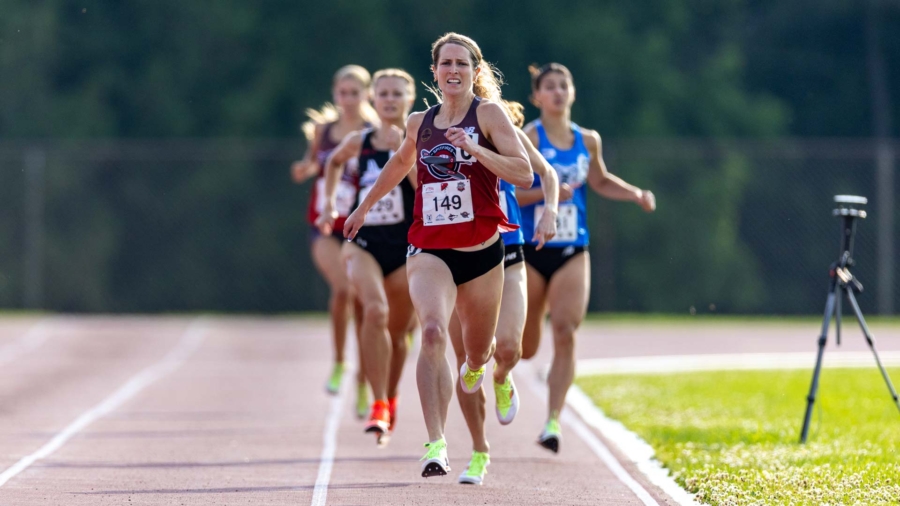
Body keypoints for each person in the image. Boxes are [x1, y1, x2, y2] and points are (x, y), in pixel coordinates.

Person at [342, 33, 533, 478]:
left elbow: (523, 173)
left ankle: (478, 370)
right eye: (445, 63)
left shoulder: (488, 114)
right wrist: (363, 207)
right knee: (430, 333)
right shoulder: (418, 122)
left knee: (477, 354)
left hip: (483, 251)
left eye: (462, 64)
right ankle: (436, 444)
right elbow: (400, 164)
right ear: (434, 71)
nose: (453, 71)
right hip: (429, 246)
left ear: (475, 70)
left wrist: (477, 150)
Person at [518, 62, 657, 453]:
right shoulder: (529, 136)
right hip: (532, 247)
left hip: (573, 248)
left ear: (573, 93)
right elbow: (512, 193)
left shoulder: (588, 140)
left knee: (565, 330)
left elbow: (598, 180)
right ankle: (502, 371)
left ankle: (552, 422)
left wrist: (634, 193)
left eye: (565, 85)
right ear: (537, 97)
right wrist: (548, 195)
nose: (559, 92)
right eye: (550, 86)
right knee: (526, 347)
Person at [448, 101, 561, 485]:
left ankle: (503, 375)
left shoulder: (502, 128)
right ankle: (479, 450)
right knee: (466, 360)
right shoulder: (435, 129)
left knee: (510, 347)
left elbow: (545, 174)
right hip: (453, 255)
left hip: (507, 250)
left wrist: (550, 210)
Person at [317, 69, 418, 444]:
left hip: (407, 246)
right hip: (363, 242)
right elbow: (332, 162)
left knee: (400, 332)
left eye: (397, 94)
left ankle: (391, 397)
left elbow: (425, 187)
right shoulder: (360, 141)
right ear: (373, 100)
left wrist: (404, 153)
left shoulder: (418, 141)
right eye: (383, 94)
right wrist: (329, 205)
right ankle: (376, 403)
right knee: (374, 310)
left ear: (409, 100)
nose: (389, 100)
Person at [291, 64, 379, 418]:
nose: (347, 99)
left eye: (354, 93)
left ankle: (362, 380)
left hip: (364, 226)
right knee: (343, 288)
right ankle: (340, 361)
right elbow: (313, 164)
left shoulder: (375, 132)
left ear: (366, 94)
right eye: (342, 93)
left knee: (363, 304)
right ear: (335, 95)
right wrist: (304, 169)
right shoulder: (324, 131)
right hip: (326, 224)